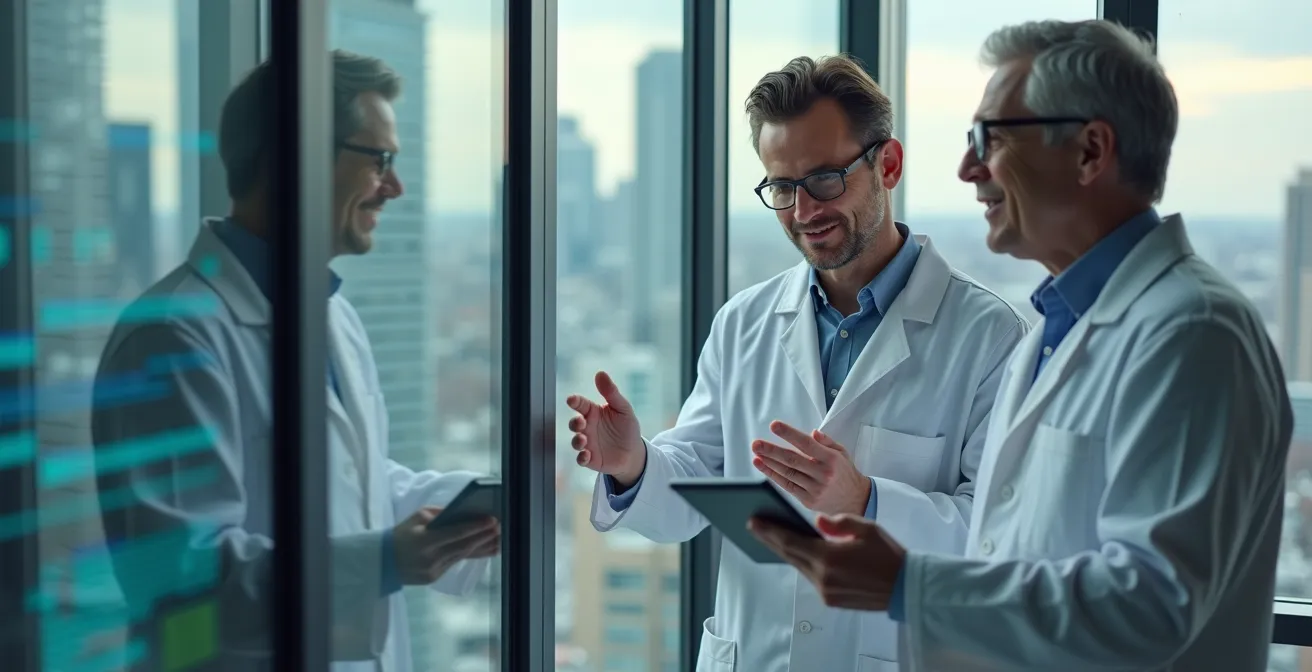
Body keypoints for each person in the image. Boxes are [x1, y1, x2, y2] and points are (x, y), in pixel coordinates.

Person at [750, 19, 1294, 672]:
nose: (966, 168)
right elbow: (1010, 559)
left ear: (1091, 151)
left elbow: (1151, 606)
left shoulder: (1194, 333)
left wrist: (908, 584)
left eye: (991, 139)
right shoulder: (1047, 332)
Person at [566, 55, 1028, 671]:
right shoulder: (744, 323)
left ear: (887, 164)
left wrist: (866, 501)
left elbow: (1000, 540)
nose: (804, 211)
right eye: (782, 187)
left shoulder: (990, 337)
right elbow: (695, 490)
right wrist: (634, 464)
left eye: (826, 179)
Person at [91, 50, 499, 672]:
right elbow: (182, 584)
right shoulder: (173, 337)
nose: (395, 187)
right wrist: (384, 561)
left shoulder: (332, 315)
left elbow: (350, 485)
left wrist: (474, 504)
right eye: (380, 160)